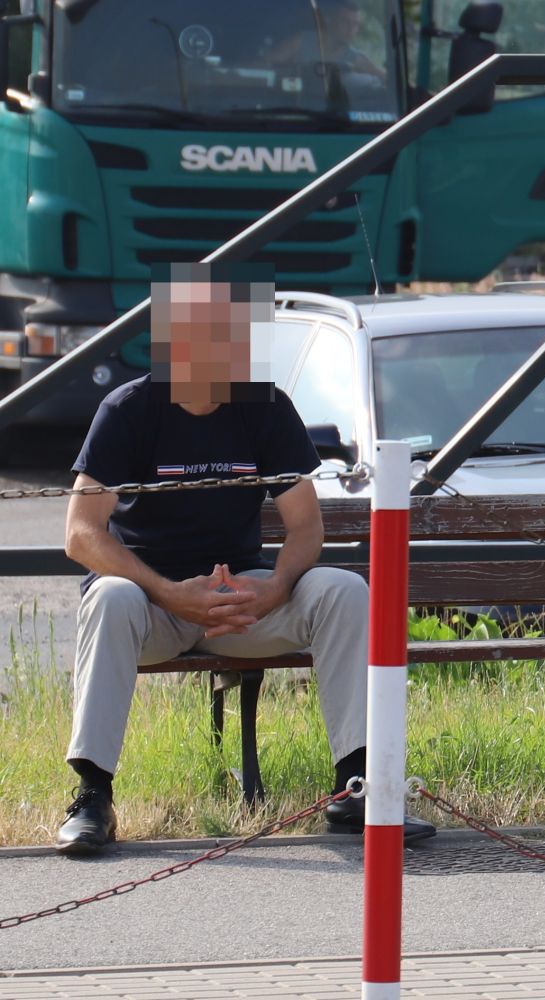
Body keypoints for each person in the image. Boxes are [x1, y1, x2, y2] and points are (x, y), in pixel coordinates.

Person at [55, 262, 434, 855]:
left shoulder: (265, 406)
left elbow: (306, 527)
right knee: (109, 593)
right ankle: (92, 797)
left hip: (241, 605)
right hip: (151, 608)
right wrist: (171, 592)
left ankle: (358, 788)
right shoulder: (128, 410)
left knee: (342, 590)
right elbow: (81, 534)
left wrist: (278, 585)